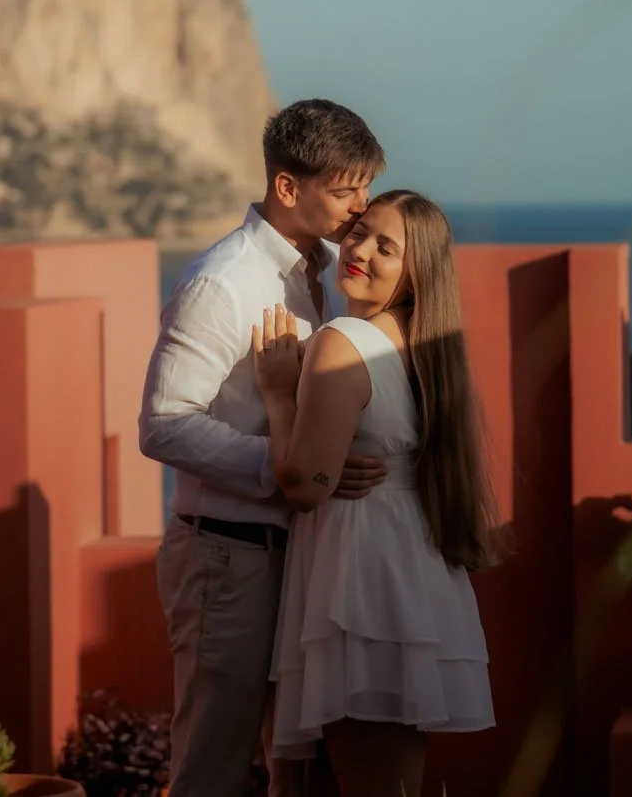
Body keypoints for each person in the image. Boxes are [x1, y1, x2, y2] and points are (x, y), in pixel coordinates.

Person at [139, 99, 393, 797]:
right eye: (345, 191)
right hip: (230, 558)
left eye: (365, 189)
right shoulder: (221, 283)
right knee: (213, 767)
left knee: (300, 769)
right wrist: (287, 469)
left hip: (308, 555)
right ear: (287, 186)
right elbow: (164, 423)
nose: (361, 208)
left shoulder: (330, 272)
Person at [253, 189, 501, 797]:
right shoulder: (424, 347)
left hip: (359, 579)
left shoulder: (344, 341)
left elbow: (304, 486)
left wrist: (279, 395)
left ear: (414, 273)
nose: (359, 250)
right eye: (360, 232)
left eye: (385, 247)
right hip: (407, 566)